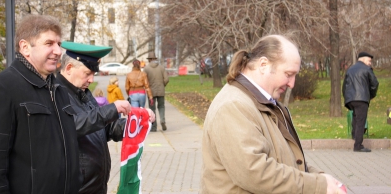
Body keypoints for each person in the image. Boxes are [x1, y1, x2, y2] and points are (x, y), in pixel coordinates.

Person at [201, 34, 347, 194]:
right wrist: (316, 185)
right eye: (288, 74)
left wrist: (321, 178)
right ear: (263, 65)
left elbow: (284, 161)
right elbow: (255, 173)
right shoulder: (234, 106)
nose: (292, 84)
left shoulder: (262, 102)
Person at [0, 15, 81, 194]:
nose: (57, 51)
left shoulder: (59, 90)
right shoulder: (2, 87)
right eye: (49, 43)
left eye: (58, 44)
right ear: (25, 47)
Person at [57, 41, 155, 194]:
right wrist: (111, 110)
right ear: (69, 68)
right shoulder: (56, 94)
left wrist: (136, 122)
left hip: (95, 185)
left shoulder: (82, 94)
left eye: (93, 75)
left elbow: (104, 128)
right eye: (87, 74)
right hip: (76, 188)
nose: (91, 80)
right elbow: (72, 126)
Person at [342, 51, 379, 153]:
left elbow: (344, 86)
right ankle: (358, 145)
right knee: (361, 121)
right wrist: (371, 95)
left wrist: (347, 98)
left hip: (351, 99)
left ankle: (355, 136)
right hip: (361, 98)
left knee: (356, 116)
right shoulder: (367, 69)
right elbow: (374, 84)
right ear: (362, 59)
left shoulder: (350, 70)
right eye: (369, 60)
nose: (370, 63)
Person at [144, 52, 169, 132]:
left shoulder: (146, 68)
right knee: (161, 106)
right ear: (155, 59)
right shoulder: (161, 68)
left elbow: (145, 80)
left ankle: (154, 126)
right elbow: (166, 79)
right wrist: (162, 85)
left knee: (152, 109)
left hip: (151, 92)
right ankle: (162, 120)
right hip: (161, 90)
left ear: (149, 59)